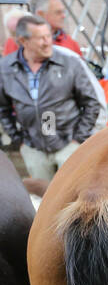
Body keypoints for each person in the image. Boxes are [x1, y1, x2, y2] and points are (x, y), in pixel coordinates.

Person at [0, 15, 100, 180]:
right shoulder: (6, 68)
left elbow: (92, 103)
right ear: (23, 41)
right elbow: (2, 108)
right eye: (40, 38)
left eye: (48, 36)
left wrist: (78, 140)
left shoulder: (69, 63)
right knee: (43, 194)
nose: (47, 42)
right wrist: (18, 140)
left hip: (68, 146)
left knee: (70, 193)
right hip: (33, 150)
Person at [3, 0, 81, 56]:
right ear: (40, 14)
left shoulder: (71, 43)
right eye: (58, 12)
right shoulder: (17, 42)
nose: (64, 16)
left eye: (63, 12)